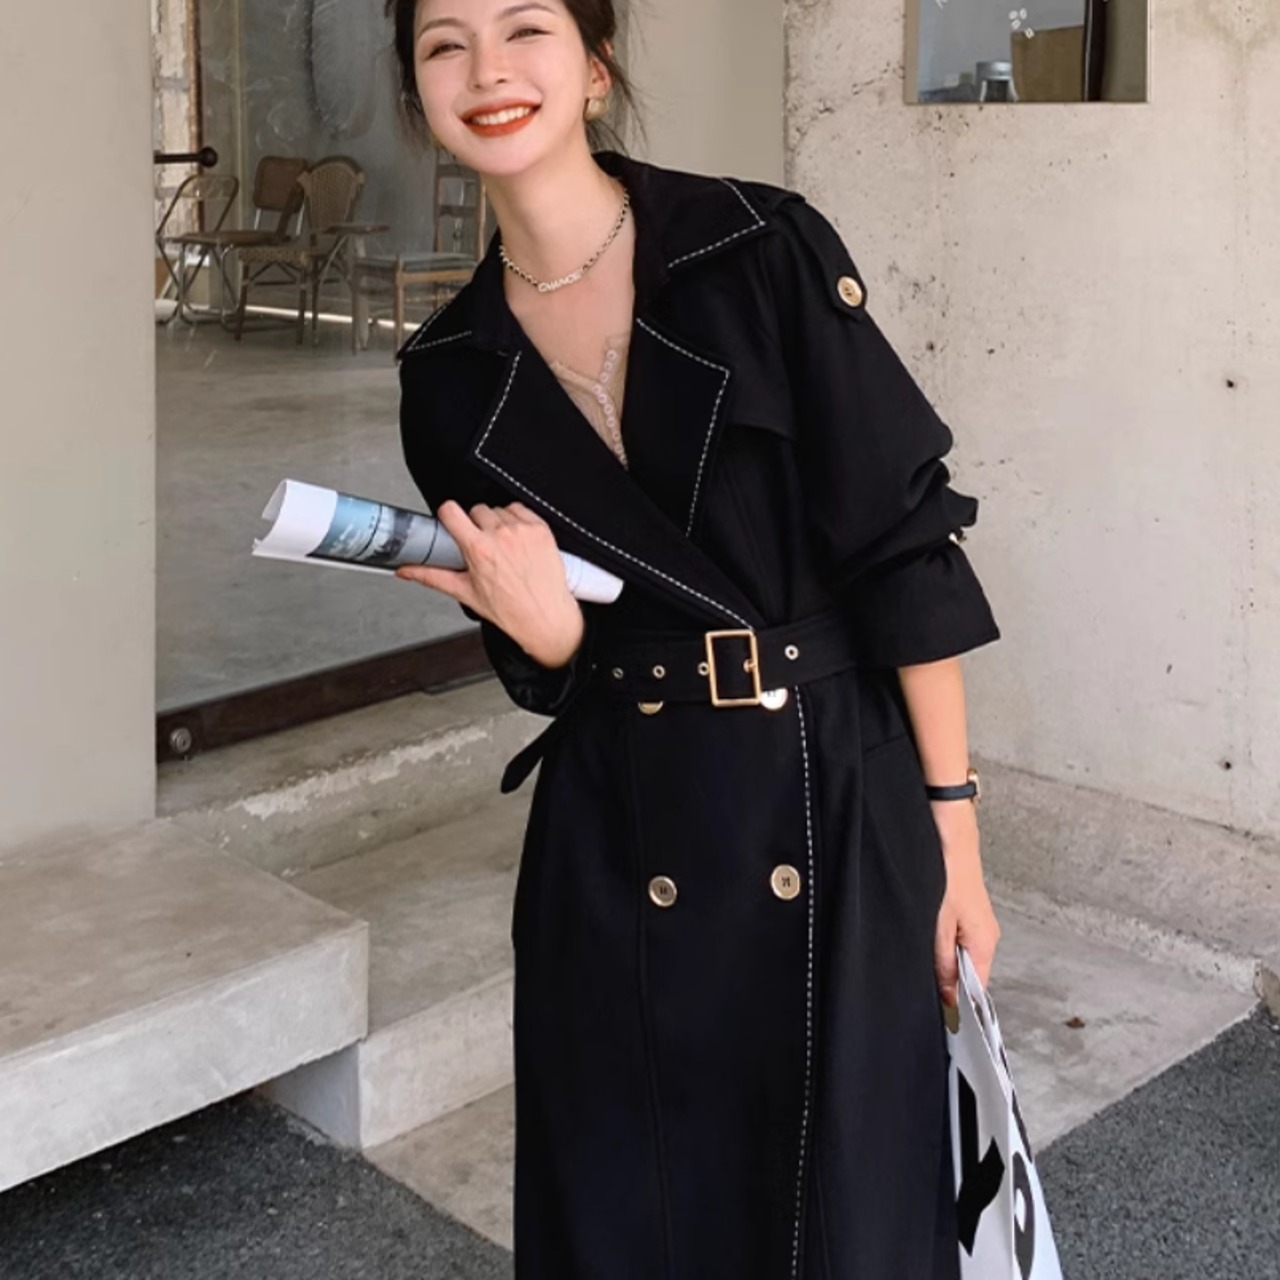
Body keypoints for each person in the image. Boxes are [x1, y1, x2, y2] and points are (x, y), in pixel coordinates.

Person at [386, 0, 1003, 1275]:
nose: (487, 70)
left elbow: (902, 548)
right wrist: (548, 639)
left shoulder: (755, 246)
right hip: (614, 844)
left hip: (831, 797)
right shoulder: (445, 373)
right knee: (637, 1220)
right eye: (444, 44)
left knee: (848, 1216)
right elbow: (545, 667)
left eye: (524, 28)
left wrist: (952, 829)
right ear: (418, 95)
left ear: (594, 67)